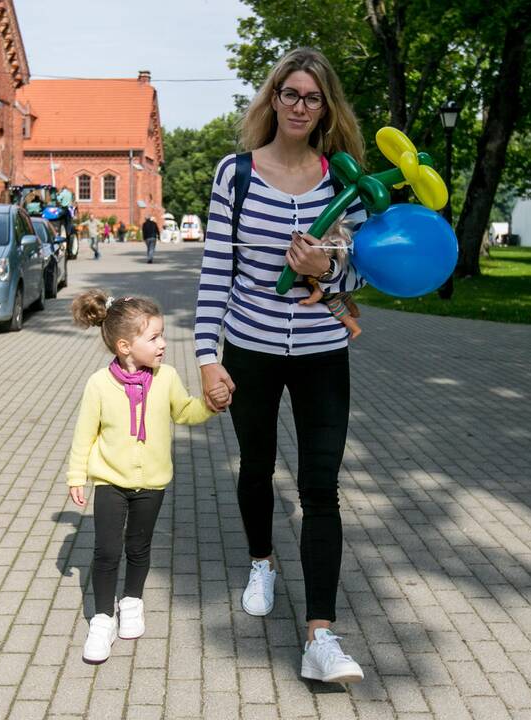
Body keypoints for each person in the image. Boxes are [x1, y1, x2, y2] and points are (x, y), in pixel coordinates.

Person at [193, 46, 368, 684]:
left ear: (327, 108)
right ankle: (262, 559)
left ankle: (321, 636)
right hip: (251, 345)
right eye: (289, 93)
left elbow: (360, 267)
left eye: (312, 97)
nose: (299, 106)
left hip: (323, 350)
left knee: (322, 487)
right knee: (258, 467)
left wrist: (329, 268)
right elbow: (215, 272)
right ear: (272, 100)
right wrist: (207, 358)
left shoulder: (343, 179)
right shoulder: (234, 174)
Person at [68, 291, 228, 664]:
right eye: (153, 337)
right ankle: (103, 619)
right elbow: (84, 435)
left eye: (162, 335)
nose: (163, 344)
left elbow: (184, 412)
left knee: (138, 547)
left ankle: (132, 601)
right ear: (125, 346)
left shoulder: (167, 377)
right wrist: (77, 476)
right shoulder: (98, 385)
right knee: (106, 551)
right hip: (110, 480)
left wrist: (209, 404)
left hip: (153, 482)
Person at [299, 220, 362, 339]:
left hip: (332, 297)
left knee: (342, 314)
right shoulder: (336, 259)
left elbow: (318, 292)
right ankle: (356, 313)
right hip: (343, 288)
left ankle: (355, 328)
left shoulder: (313, 270)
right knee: (348, 300)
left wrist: (308, 301)